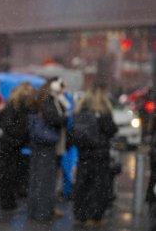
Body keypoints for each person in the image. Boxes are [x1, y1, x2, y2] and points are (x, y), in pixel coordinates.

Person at [72, 84, 118, 227]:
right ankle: (94, 216)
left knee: (82, 184)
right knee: (98, 186)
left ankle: (80, 215)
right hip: (100, 154)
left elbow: (73, 133)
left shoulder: (80, 111)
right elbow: (111, 130)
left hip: (83, 154)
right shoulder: (103, 112)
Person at [28, 77, 68, 221]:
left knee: (41, 179)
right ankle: (41, 212)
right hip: (46, 145)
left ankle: (40, 210)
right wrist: (65, 117)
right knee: (44, 180)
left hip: (43, 145)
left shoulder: (46, 98)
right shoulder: (49, 100)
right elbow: (54, 119)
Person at [0, 82, 35, 210]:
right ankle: (7, 202)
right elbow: (10, 126)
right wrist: (19, 138)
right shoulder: (16, 107)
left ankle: (8, 202)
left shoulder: (14, 106)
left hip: (11, 144)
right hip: (11, 144)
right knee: (8, 174)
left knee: (8, 174)